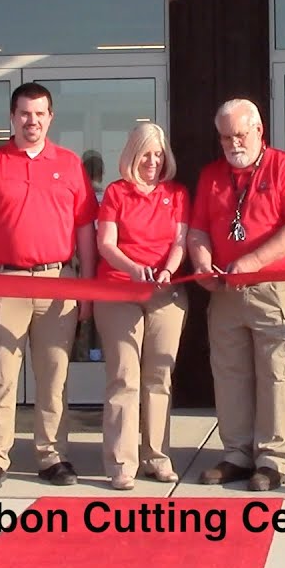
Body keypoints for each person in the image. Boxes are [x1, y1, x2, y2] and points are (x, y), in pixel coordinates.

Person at [0, 82, 98, 490]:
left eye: (39, 113)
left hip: (59, 282)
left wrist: (87, 288)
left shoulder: (70, 164)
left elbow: (86, 230)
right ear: (11, 117)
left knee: (53, 375)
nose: (31, 121)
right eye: (24, 113)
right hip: (4, 280)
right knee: (1, 374)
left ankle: (52, 456)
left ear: (50, 117)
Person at [187, 98, 285, 492]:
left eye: (239, 134)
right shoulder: (212, 175)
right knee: (230, 375)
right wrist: (203, 262)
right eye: (225, 137)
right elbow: (198, 230)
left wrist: (255, 261)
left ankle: (273, 460)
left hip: (276, 289)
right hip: (226, 290)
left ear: (259, 130)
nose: (232, 144)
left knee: (278, 375)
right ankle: (237, 454)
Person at [93, 123, 189, 490]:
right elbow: (106, 243)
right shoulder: (117, 193)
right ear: (133, 155)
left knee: (159, 377)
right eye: (146, 154)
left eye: (159, 154)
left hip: (165, 292)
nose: (153, 161)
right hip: (119, 290)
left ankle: (157, 456)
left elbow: (180, 241)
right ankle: (121, 462)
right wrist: (135, 269)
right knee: (124, 377)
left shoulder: (177, 193)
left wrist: (166, 269)